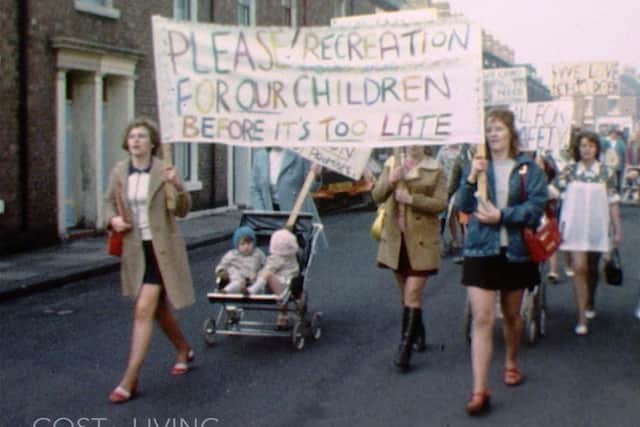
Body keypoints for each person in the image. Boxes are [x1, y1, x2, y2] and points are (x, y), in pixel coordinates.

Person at [455, 109, 547, 415]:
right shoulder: (478, 166)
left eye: (498, 128)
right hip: (481, 250)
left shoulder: (528, 169)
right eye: (489, 129)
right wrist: (470, 177)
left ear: (510, 133)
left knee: (511, 316)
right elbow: (461, 205)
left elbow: (535, 208)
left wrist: (502, 216)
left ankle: (510, 359)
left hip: (515, 252)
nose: (493, 134)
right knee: (482, 318)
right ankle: (479, 389)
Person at [104, 118, 195, 404]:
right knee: (157, 311)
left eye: (142, 136)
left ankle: (129, 379)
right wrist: (113, 219)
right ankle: (183, 348)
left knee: (143, 310)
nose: (136, 141)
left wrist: (178, 186)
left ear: (152, 142)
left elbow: (182, 211)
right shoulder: (120, 171)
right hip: (135, 249)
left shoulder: (163, 169)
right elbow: (107, 201)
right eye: (132, 136)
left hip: (161, 250)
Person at [371, 145, 447, 372]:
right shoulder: (392, 163)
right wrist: (390, 180)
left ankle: (404, 349)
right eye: (409, 140)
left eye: (418, 140)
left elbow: (440, 203)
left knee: (413, 292)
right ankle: (418, 331)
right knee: (405, 295)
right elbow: (377, 196)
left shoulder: (435, 168)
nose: (413, 145)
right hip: (396, 240)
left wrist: (412, 199)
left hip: (422, 240)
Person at [549, 131, 622, 335]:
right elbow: (551, 192)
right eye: (582, 145)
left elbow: (613, 202)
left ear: (596, 148)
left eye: (590, 145)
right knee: (579, 268)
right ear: (577, 149)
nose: (587, 149)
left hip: (597, 227)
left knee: (592, 268)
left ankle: (590, 301)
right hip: (574, 227)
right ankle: (581, 317)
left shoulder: (606, 173)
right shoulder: (569, 171)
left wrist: (617, 230)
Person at [249, 147, 327, 248]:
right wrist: (262, 214)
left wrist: (316, 175)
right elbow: (255, 188)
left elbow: (312, 188)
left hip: (297, 213)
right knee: (276, 255)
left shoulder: (300, 154)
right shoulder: (259, 156)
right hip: (271, 215)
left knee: (299, 255)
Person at [246, 228, 301, 328]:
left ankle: (254, 289)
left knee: (267, 273)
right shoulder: (292, 258)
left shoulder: (277, 259)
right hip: (287, 286)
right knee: (266, 274)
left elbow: (268, 269)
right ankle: (282, 317)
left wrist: (257, 275)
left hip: (281, 288)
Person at [215, 226, 266, 294]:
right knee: (235, 280)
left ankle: (250, 290)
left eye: (249, 243)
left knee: (263, 277)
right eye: (243, 244)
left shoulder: (258, 253)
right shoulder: (232, 254)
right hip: (237, 280)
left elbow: (266, 265)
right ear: (237, 245)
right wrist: (221, 271)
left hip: (253, 280)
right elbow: (222, 265)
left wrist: (260, 273)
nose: (246, 246)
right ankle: (225, 291)